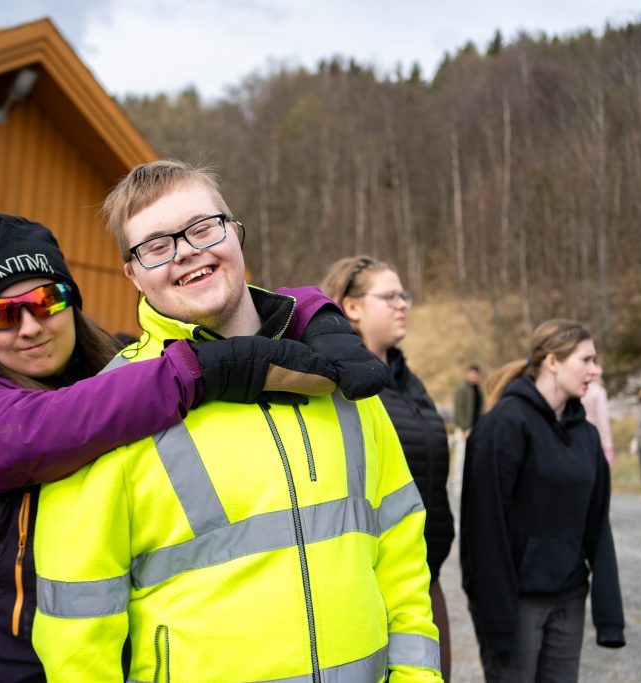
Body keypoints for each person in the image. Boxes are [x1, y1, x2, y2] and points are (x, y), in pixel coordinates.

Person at [0, 213, 377, 682]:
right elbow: (49, 426)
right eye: (2, 313)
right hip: (1, 669)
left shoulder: (122, 371)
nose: (29, 327)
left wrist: (313, 312)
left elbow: (231, 314)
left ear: (71, 302)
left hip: (118, 661)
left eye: (46, 299)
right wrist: (201, 370)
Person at [32, 161, 442, 682]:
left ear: (235, 231)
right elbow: (76, 630)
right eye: (156, 246)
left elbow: (401, 550)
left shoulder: (341, 377)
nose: (186, 253)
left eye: (203, 228)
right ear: (132, 274)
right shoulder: (107, 411)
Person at [460, 319, 625, 683]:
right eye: (586, 360)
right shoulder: (504, 425)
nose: (595, 371)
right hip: (516, 604)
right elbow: (484, 530)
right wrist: (496, 620)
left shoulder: (586, 436)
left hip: (568, 599)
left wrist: (609, 614)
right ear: (553, 361)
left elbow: (597, 524)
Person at [321, 255, 455, 681]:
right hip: (371, 587)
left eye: (405, 296)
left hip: (424, 578)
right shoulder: (333, 385)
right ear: (352, 307)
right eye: (389, 296)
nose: (403, 305)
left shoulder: (408, 381)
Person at [452, 364, 484, 498]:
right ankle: (457, 485)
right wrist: (463, 428)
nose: (473, 376)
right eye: (471, 373)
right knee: (460, 456)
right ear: (467, 374)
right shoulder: (462, 389)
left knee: (471, 456)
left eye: (475, 374)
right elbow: (458, 409)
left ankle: (468, 482)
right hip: (464, 429)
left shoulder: (478, 390)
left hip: (475, 428)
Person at [581, 367, 614, 465]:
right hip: (596, 438)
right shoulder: (599, 392)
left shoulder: (578, 390)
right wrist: (608, 445)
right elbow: (603, 420)